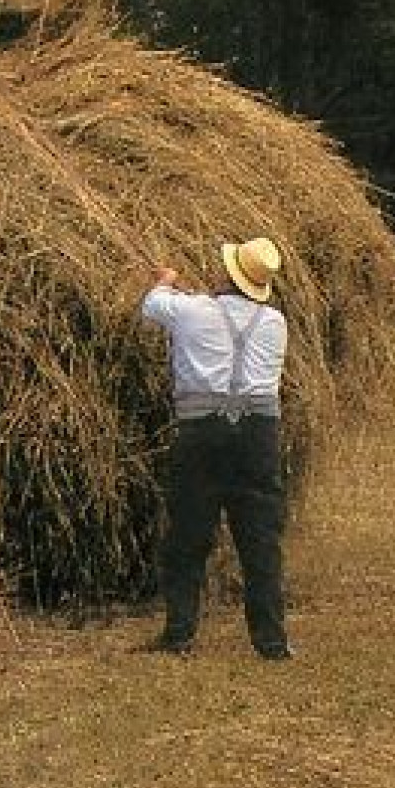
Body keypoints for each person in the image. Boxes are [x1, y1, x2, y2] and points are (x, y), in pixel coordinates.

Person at [139, 236, 294, 660]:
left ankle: (179, 635)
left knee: (188, 536)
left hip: (203, 434)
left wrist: (166, 280)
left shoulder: (193, 310)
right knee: (261, 539)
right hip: (258, 436)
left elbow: (151, 305)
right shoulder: (276, 322)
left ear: (228, 274)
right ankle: (272, 643)